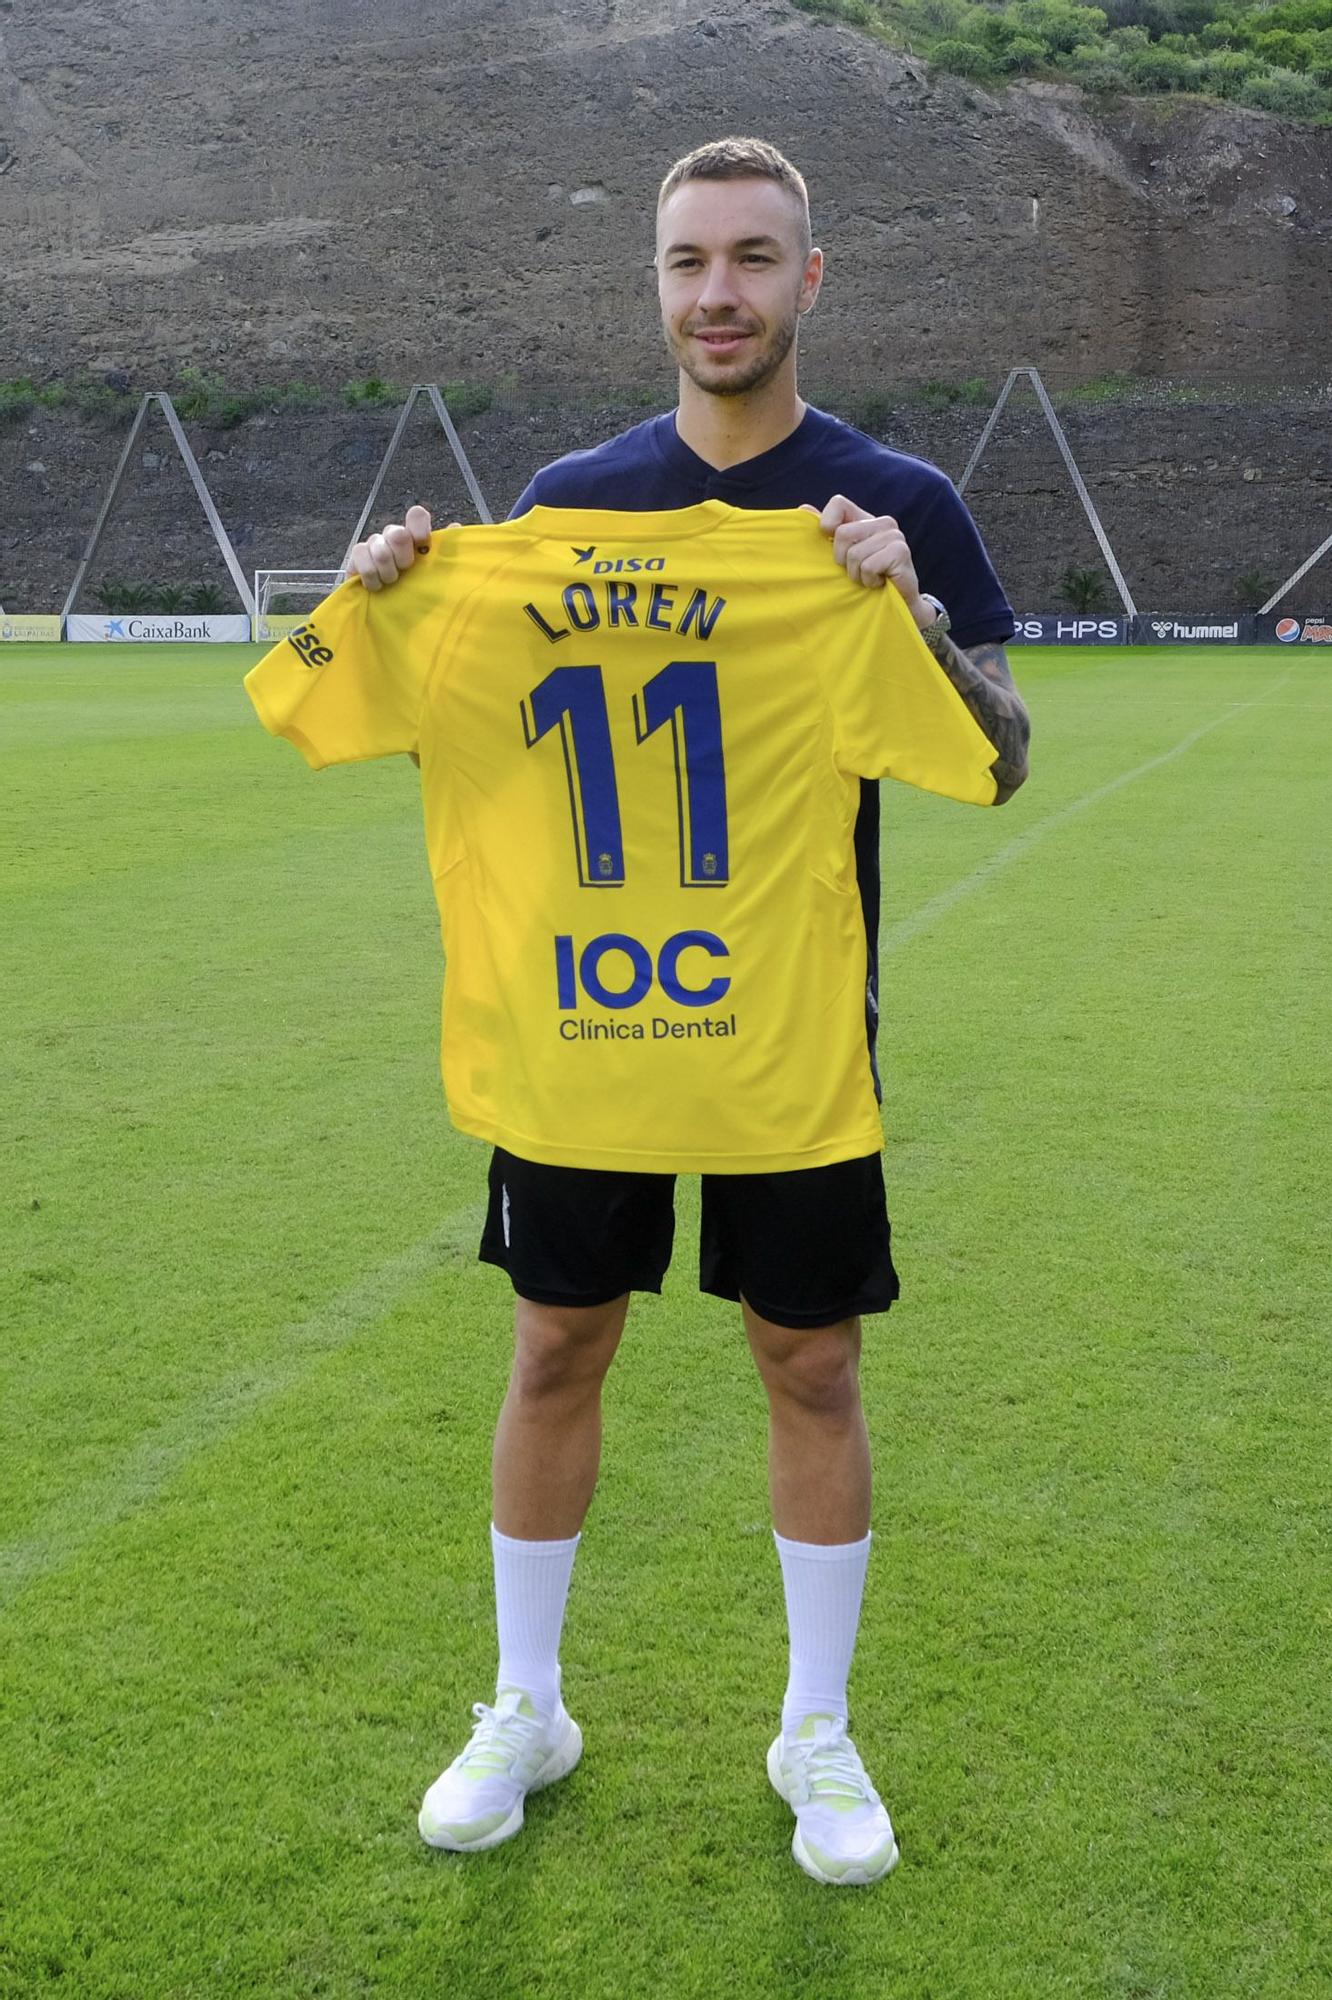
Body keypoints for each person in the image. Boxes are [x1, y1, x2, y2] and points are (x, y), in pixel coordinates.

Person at [348, 137, 1029, 1887]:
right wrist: (392, 591)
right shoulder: (573, 491)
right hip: (580, 1027)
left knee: (810, 1359)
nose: (714, 293)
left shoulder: (892, 499)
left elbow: (1000, 755)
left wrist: (913, 611)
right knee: (556, 1342)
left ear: (814, 279)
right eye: (684, 262)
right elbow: (462, 719)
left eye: (750, 258)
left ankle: (816, 1730)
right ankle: (526, 1704)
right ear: (654, 285)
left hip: (789, 1032)